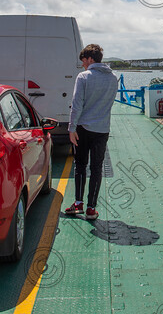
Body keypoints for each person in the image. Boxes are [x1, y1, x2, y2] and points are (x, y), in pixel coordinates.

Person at [64, 44, 118, 220]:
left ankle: (78, 204)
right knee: (96, 168)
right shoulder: (113, 78)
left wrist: (72, 128)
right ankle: (91, 208)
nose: (83, 65)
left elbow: (77, 104)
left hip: (83, 128)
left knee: (80, 165)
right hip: (102, 129)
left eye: (84, 61)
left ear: (90, 59)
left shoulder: (84, 77)